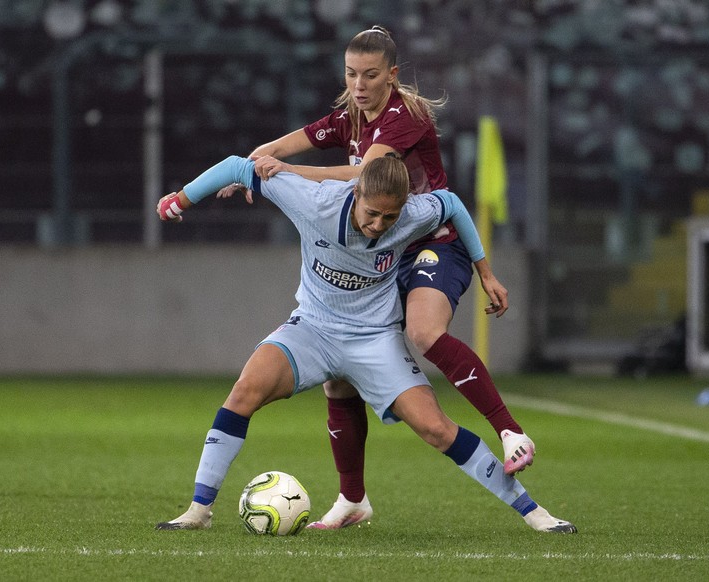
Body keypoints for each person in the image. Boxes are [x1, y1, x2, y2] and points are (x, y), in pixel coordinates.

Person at [153, 154, 576, 534]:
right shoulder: (314, 202)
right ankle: (198, 510)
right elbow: (236, 167)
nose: (378, 225)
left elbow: (451, 205)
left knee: (435, 428)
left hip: (375, 339)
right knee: (244, 392)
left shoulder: (413, 212)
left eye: (389, 219)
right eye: (372, 213)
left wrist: (485, 271)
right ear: (355, 194)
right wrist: (181, 200)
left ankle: (533, 511)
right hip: (312, 330)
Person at [218, 25, 535, 530]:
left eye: (370, 75)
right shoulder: (349, 116)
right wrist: (253, 167)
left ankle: (510, 432)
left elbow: (363, 176)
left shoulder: (404, 117)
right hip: (385, 249)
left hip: (433, 241)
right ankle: (352, 499)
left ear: (392, 75)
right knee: (339, 381)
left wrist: (285, 175)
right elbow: (288, 143)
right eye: (350, 74)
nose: (359, 84)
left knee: (423, 332)